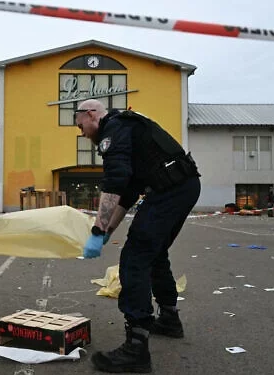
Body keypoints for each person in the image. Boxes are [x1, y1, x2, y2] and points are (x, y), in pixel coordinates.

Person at [76, 99, 201, 373]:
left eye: (80, 124)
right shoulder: (126, 128)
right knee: (153, 254)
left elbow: (115, 182)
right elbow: (128, 193)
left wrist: (97, 231)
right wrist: (106, 232)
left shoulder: (114, 130)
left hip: (171, 188)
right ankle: (168, 318)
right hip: (182, 185)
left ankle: (136, 347)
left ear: (91, 114)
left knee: (135, 258)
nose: (81, 132)